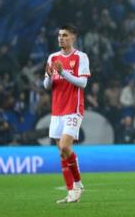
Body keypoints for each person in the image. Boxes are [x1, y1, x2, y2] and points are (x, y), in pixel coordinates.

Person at [43, 25, 90, 203]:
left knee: (64, 146)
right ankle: (71, 192)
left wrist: (62, 72)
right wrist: (49, 76)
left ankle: (78, 184)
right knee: (61, 152)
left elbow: (82, 83)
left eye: (65, 35)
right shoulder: (52, 57)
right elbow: (47, 86)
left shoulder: (80, 57)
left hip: (73, 108)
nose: (61, 38)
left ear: (73, 38)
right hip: (57, 110)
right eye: (59, 35)